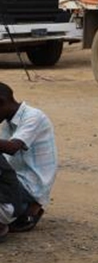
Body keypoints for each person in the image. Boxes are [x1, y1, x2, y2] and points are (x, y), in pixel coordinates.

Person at [0, 82, 57, 231]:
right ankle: (23, 210)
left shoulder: (33, 117)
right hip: (15, 181)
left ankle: (26, 208)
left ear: (1, 102)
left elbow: (12, 148)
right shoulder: (8, 124)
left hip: (29, 186)